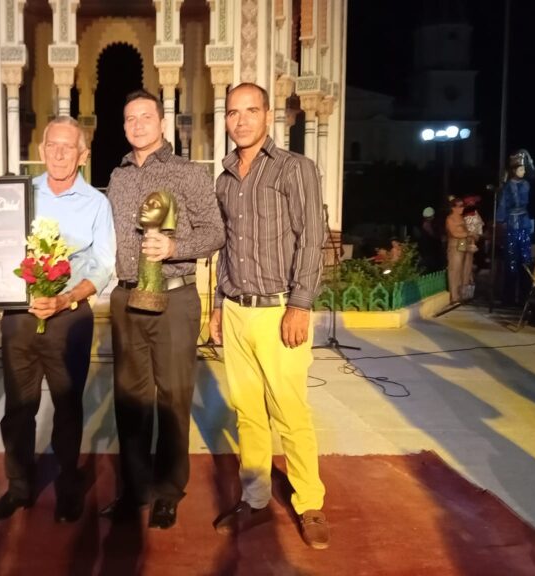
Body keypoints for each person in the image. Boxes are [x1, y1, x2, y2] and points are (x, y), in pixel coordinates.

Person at [206, 82, 329, 549]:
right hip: (237, 312)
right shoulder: (223, 180)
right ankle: (254, 499)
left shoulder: (295, 169)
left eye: (250, 110)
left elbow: (311, 239)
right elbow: (226, 252)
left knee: (290, 411)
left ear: (267, 115)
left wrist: (299, 304)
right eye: (234, 112)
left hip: (280, 311)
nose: (241, 120)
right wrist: (218, 307)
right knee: (248, 414)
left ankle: (310, 502)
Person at [0, 116, 116, 524]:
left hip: (69, 317)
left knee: (68, 407)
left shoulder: (96, 204)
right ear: (40, 151)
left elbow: (105, 265)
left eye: (68, 147)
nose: (59, 153)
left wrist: (67, 298)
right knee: (19, 408)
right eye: (52, 145)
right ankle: (18, 489)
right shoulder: (16, 194)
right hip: (19, 318)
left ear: (83, 154)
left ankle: (69, 487)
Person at [99, 89, 224, 530]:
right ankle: (135, 487)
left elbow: (215, 233)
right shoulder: (117, 177)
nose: (137, 125)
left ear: (162, 122)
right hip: (127, 296)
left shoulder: (189, 174)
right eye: (129, 118)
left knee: (173, 397)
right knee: (131, 399)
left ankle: (169, 491)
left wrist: (175, 246)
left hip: (174, 296)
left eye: (145, 117)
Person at [496, 152, 534, 305]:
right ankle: (509, 297)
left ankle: (525, 296)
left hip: (523, 222)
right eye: (520, 169)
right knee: (511, 260)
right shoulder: (506, 187)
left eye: (524, 169)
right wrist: (501, 221)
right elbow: (503, 205)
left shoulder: (525, 184)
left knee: (526, 259)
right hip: (512, 223)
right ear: (513, 170)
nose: (523, 172)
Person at [445, 197, 469, 304]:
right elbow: (454, 233)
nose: (462, 208)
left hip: (463, 245)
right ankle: (454, 296)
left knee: (462, 271)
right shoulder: (450, 219)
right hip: (454, 245)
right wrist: (467, 234)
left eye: (463, 206)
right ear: (453, 208)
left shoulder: (462, 218)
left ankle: (459, 294)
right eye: (459, 206)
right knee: (454, 270)